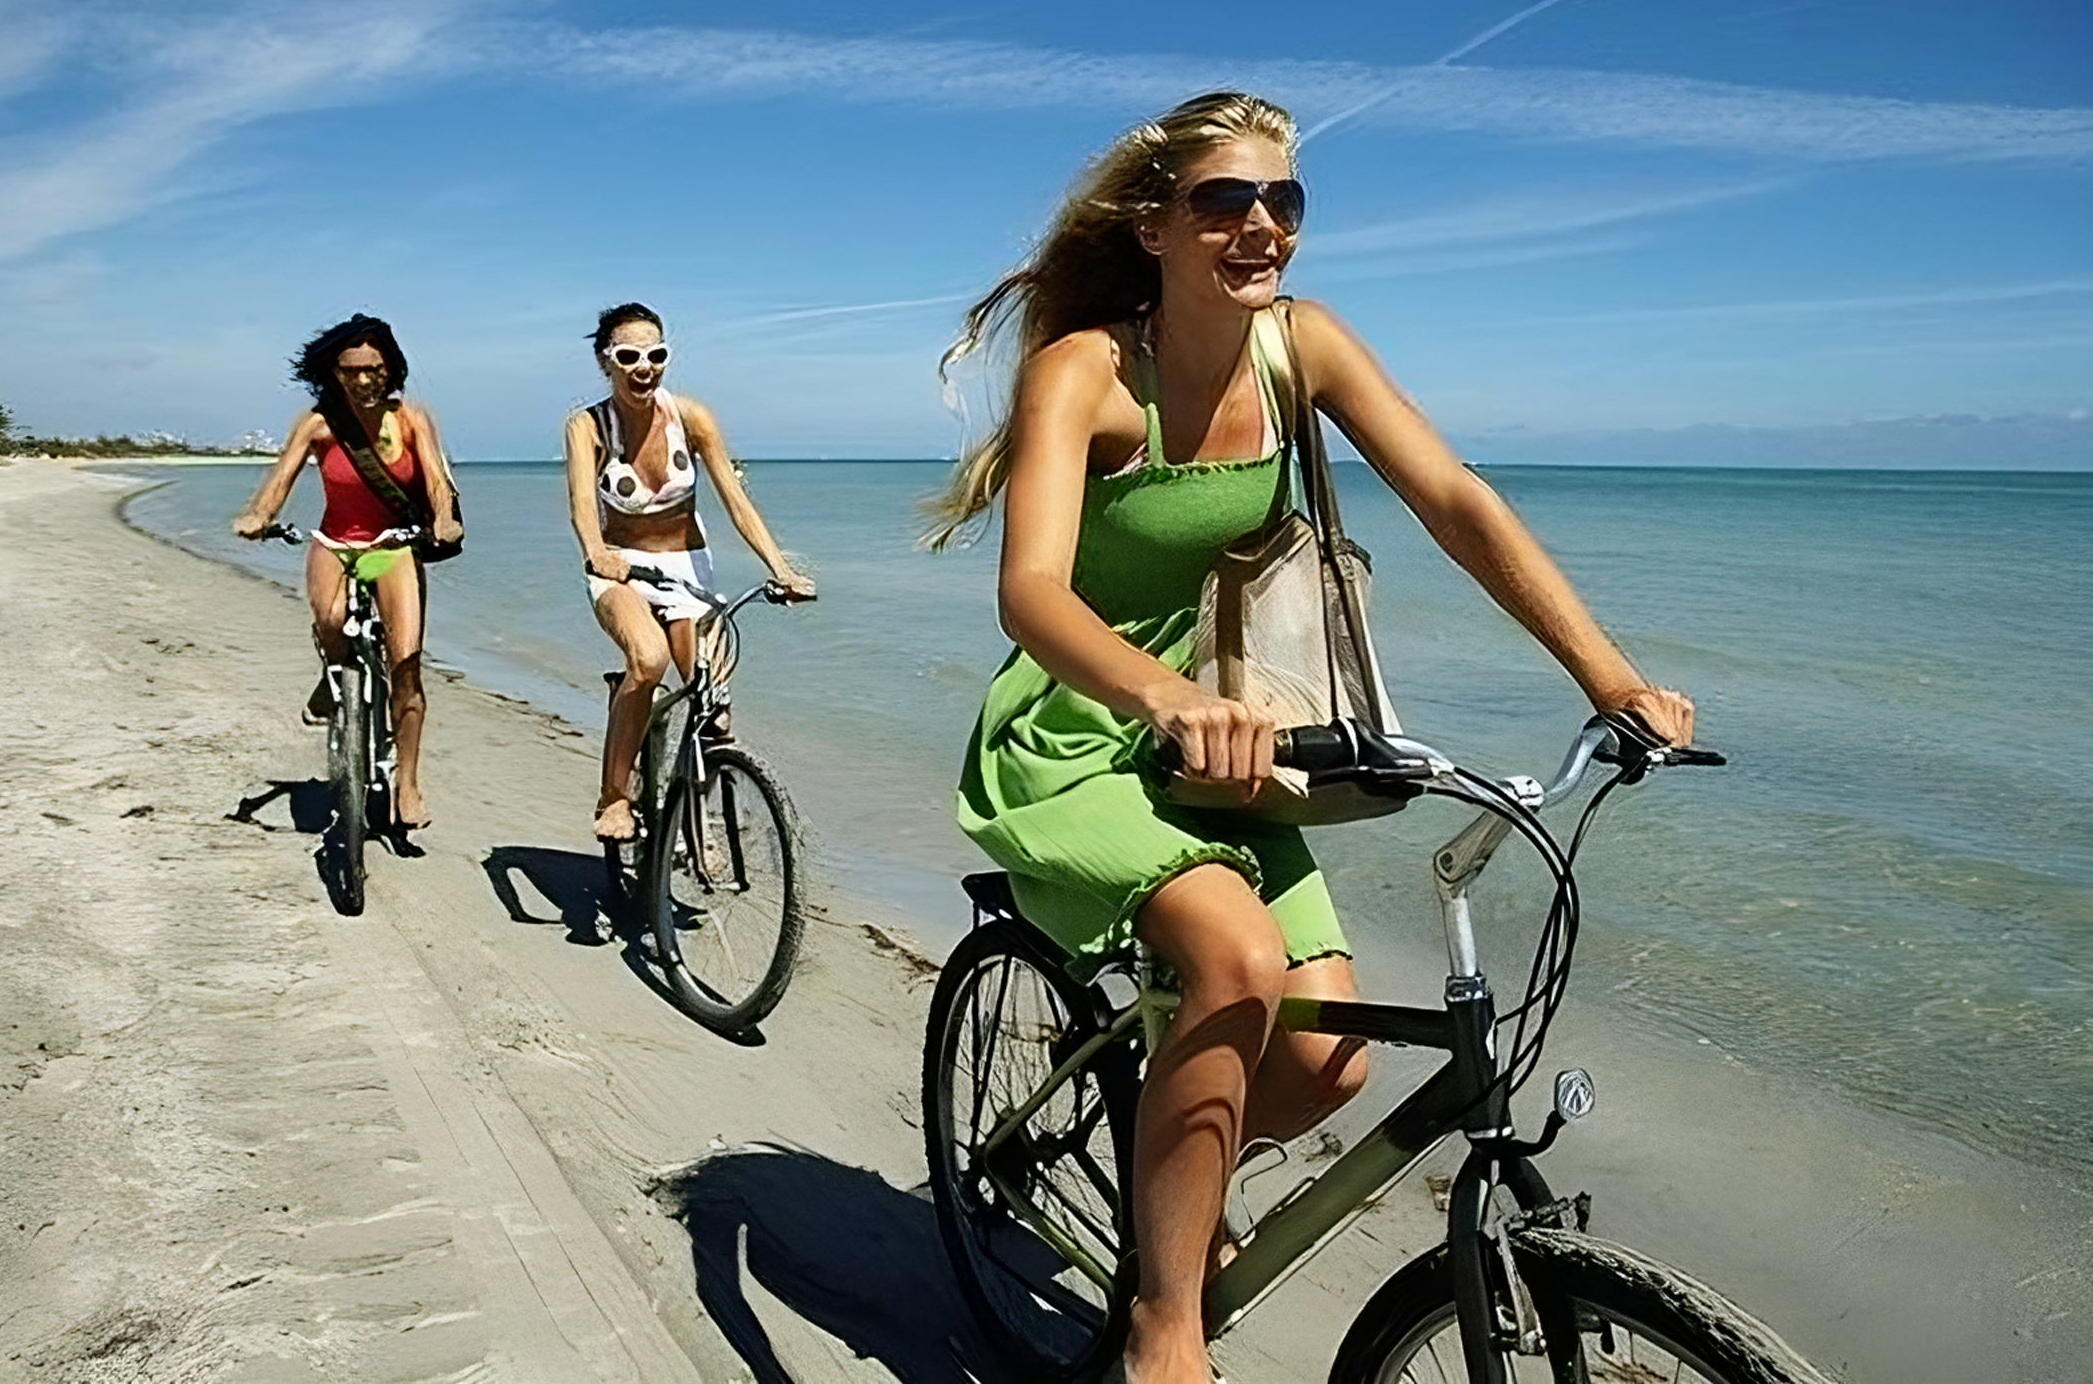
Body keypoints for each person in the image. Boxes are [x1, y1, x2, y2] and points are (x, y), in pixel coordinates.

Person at [926, 92, 1695, 1384]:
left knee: (1332, 1056)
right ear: (1156, 227)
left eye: (1285, 202)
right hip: (1084, 725)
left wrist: (1609, 678)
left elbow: (1453, 499)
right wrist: (1168, 700)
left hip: (1243, 734)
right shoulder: (1088, 374)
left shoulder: (1304, 350)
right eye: (1224, 201)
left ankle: (1176, 1177)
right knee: (1235, 959)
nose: (1261, 227)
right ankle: (1164, 1329)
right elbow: (1034, 594)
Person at [563, 302, 815, 842]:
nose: (643, 367)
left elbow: (736, 503)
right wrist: (595, 551)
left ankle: (702, 823)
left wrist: (782, 569)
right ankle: (614, 798)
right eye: (627, 356)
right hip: (619, 569)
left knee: (712, 704)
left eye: (656, 355)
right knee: (648, 659)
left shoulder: (692, 419)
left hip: (688, 568)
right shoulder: (587, 426)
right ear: (604, 362)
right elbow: (583, 504)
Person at [234, 314, 463, 831]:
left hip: (390, 546)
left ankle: (407, 781)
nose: (364, 380)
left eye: (375, 369)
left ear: (391, 369)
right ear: (333, 373)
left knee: (406, 663)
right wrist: (258, 517)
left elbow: (437, 483)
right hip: (334, 543)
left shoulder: (410, 420)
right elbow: (280, 479)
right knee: (332, 621)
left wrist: (444, 521)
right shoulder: (318, 424)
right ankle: (332, 671)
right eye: (351, 370)